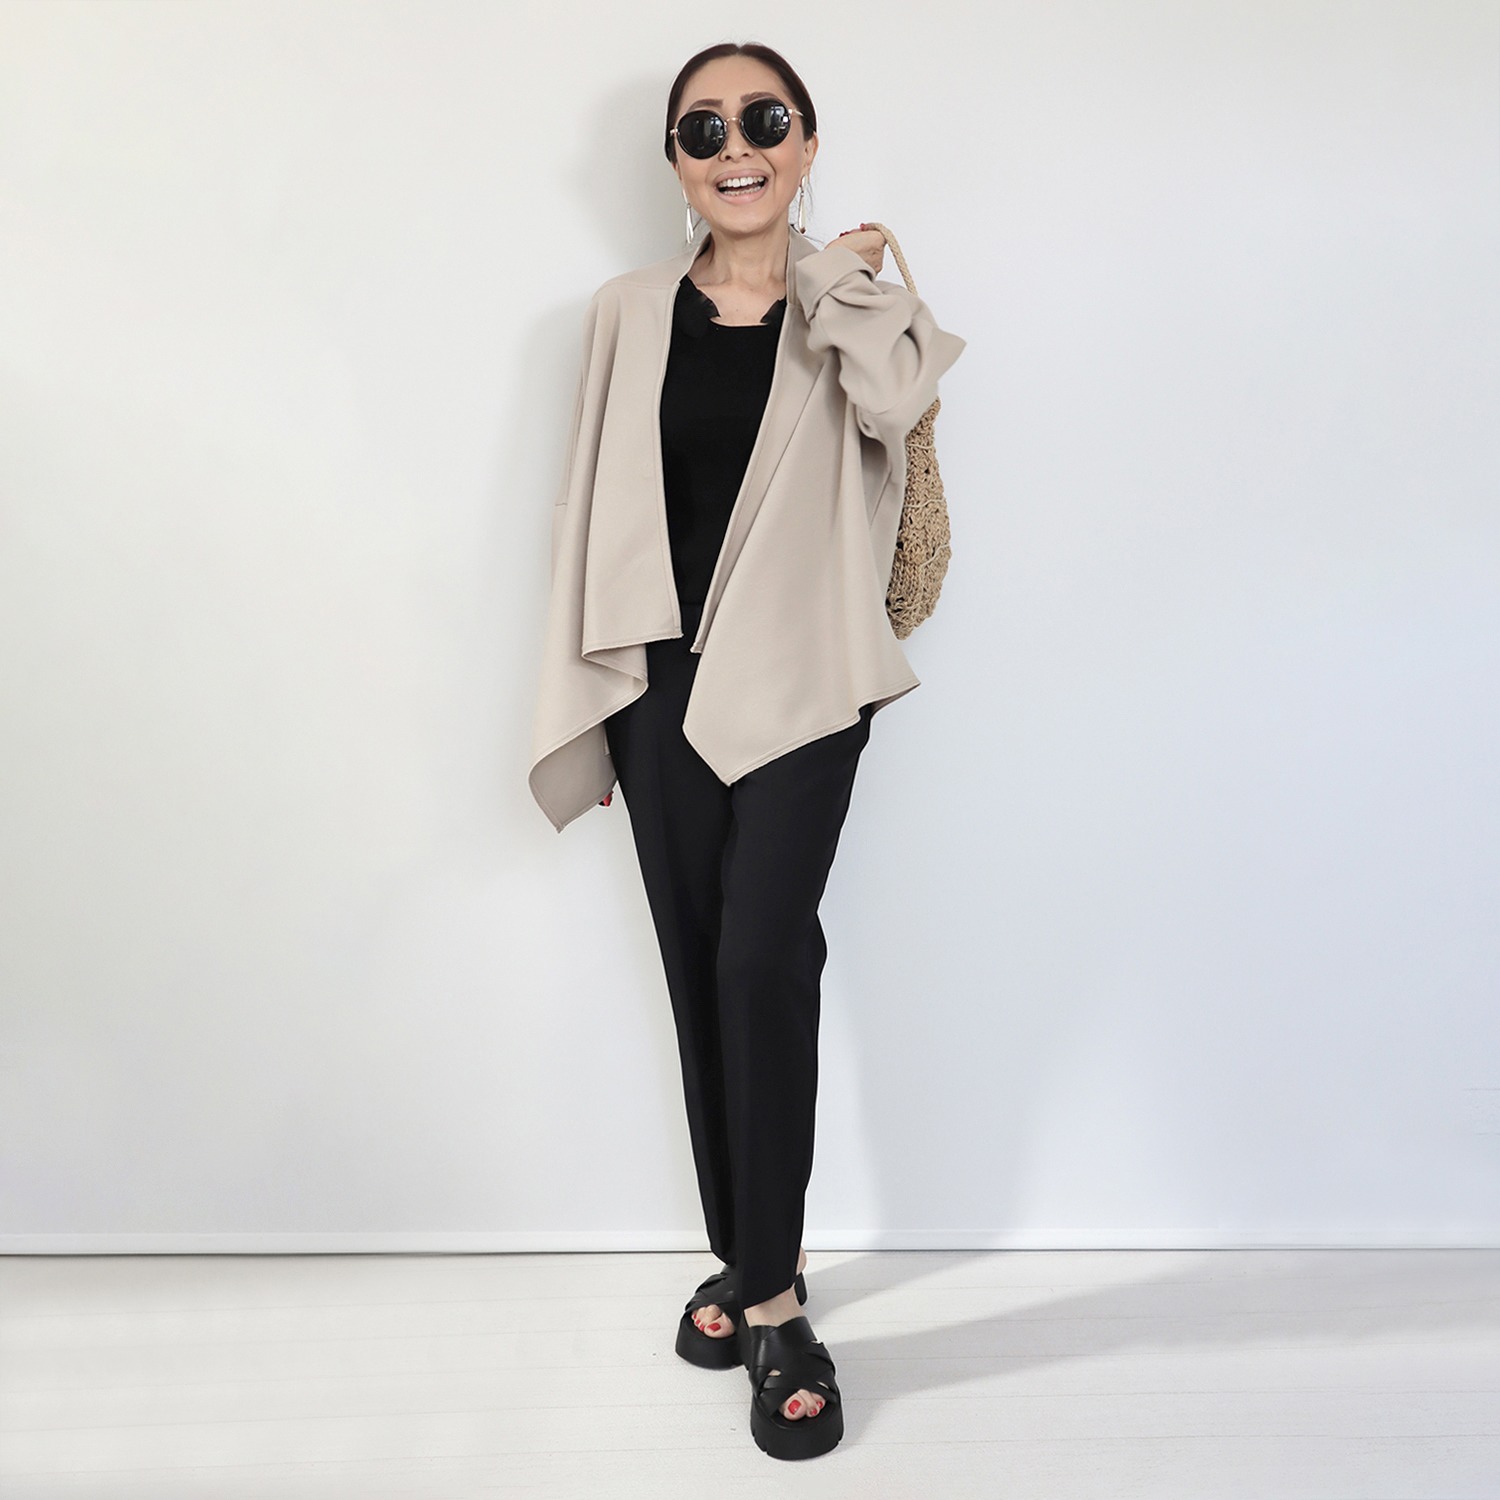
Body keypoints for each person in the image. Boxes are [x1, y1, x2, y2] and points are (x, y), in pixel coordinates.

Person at [528, 40, 964, 1461]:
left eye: (763, 120)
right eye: (704, 128)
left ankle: (772, 1303)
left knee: (763, 957)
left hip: (807, 678)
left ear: (806, 142)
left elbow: (896, 411)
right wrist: (590, 694)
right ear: (674, 159)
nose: (737, 147)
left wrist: (834, 283)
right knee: (699, 961)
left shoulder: (854, 304)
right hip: (662, 679)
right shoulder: (625, 311)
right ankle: (748, 1255)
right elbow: (590, 505)